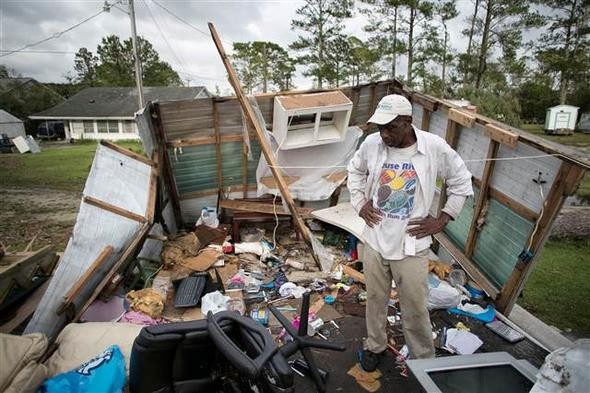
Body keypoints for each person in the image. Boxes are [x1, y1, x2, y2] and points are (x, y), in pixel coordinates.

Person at [347, 94, 473, 371]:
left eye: (391, 127)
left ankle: (425, 360)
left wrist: (442, 219)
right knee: (376, 301)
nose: (384, 133)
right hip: (376, 239)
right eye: (380, 127)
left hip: (412, 244)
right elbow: (354, 172)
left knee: (415, 308)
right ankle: (375, 345)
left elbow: (461, 182)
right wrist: (360, 203)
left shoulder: (434, 147)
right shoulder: (372, 145)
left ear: (407, 122)